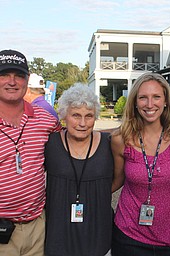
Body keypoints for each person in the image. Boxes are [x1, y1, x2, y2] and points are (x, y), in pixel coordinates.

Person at [111, 72, 170, 256]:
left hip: (169, 238)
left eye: (156, 97)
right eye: (143, 98)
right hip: (129, 236)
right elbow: (116, 180)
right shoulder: (121, 139)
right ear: (135, 102)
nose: (150, 104)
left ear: (166, 101)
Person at [0, 49, 61, 255]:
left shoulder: (46, 120)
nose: (12, 81)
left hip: (37, 227)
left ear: (26, 81)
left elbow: (72, 140)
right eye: (4, 75)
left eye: (18, 75)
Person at [44, 83, 114, 256]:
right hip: (58, 235)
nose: (82, 123)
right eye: (76, 115)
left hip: (98, 233)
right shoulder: (49, 143)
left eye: (89, 116)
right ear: (64, 116)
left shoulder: (110, 144)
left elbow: (120, 176)